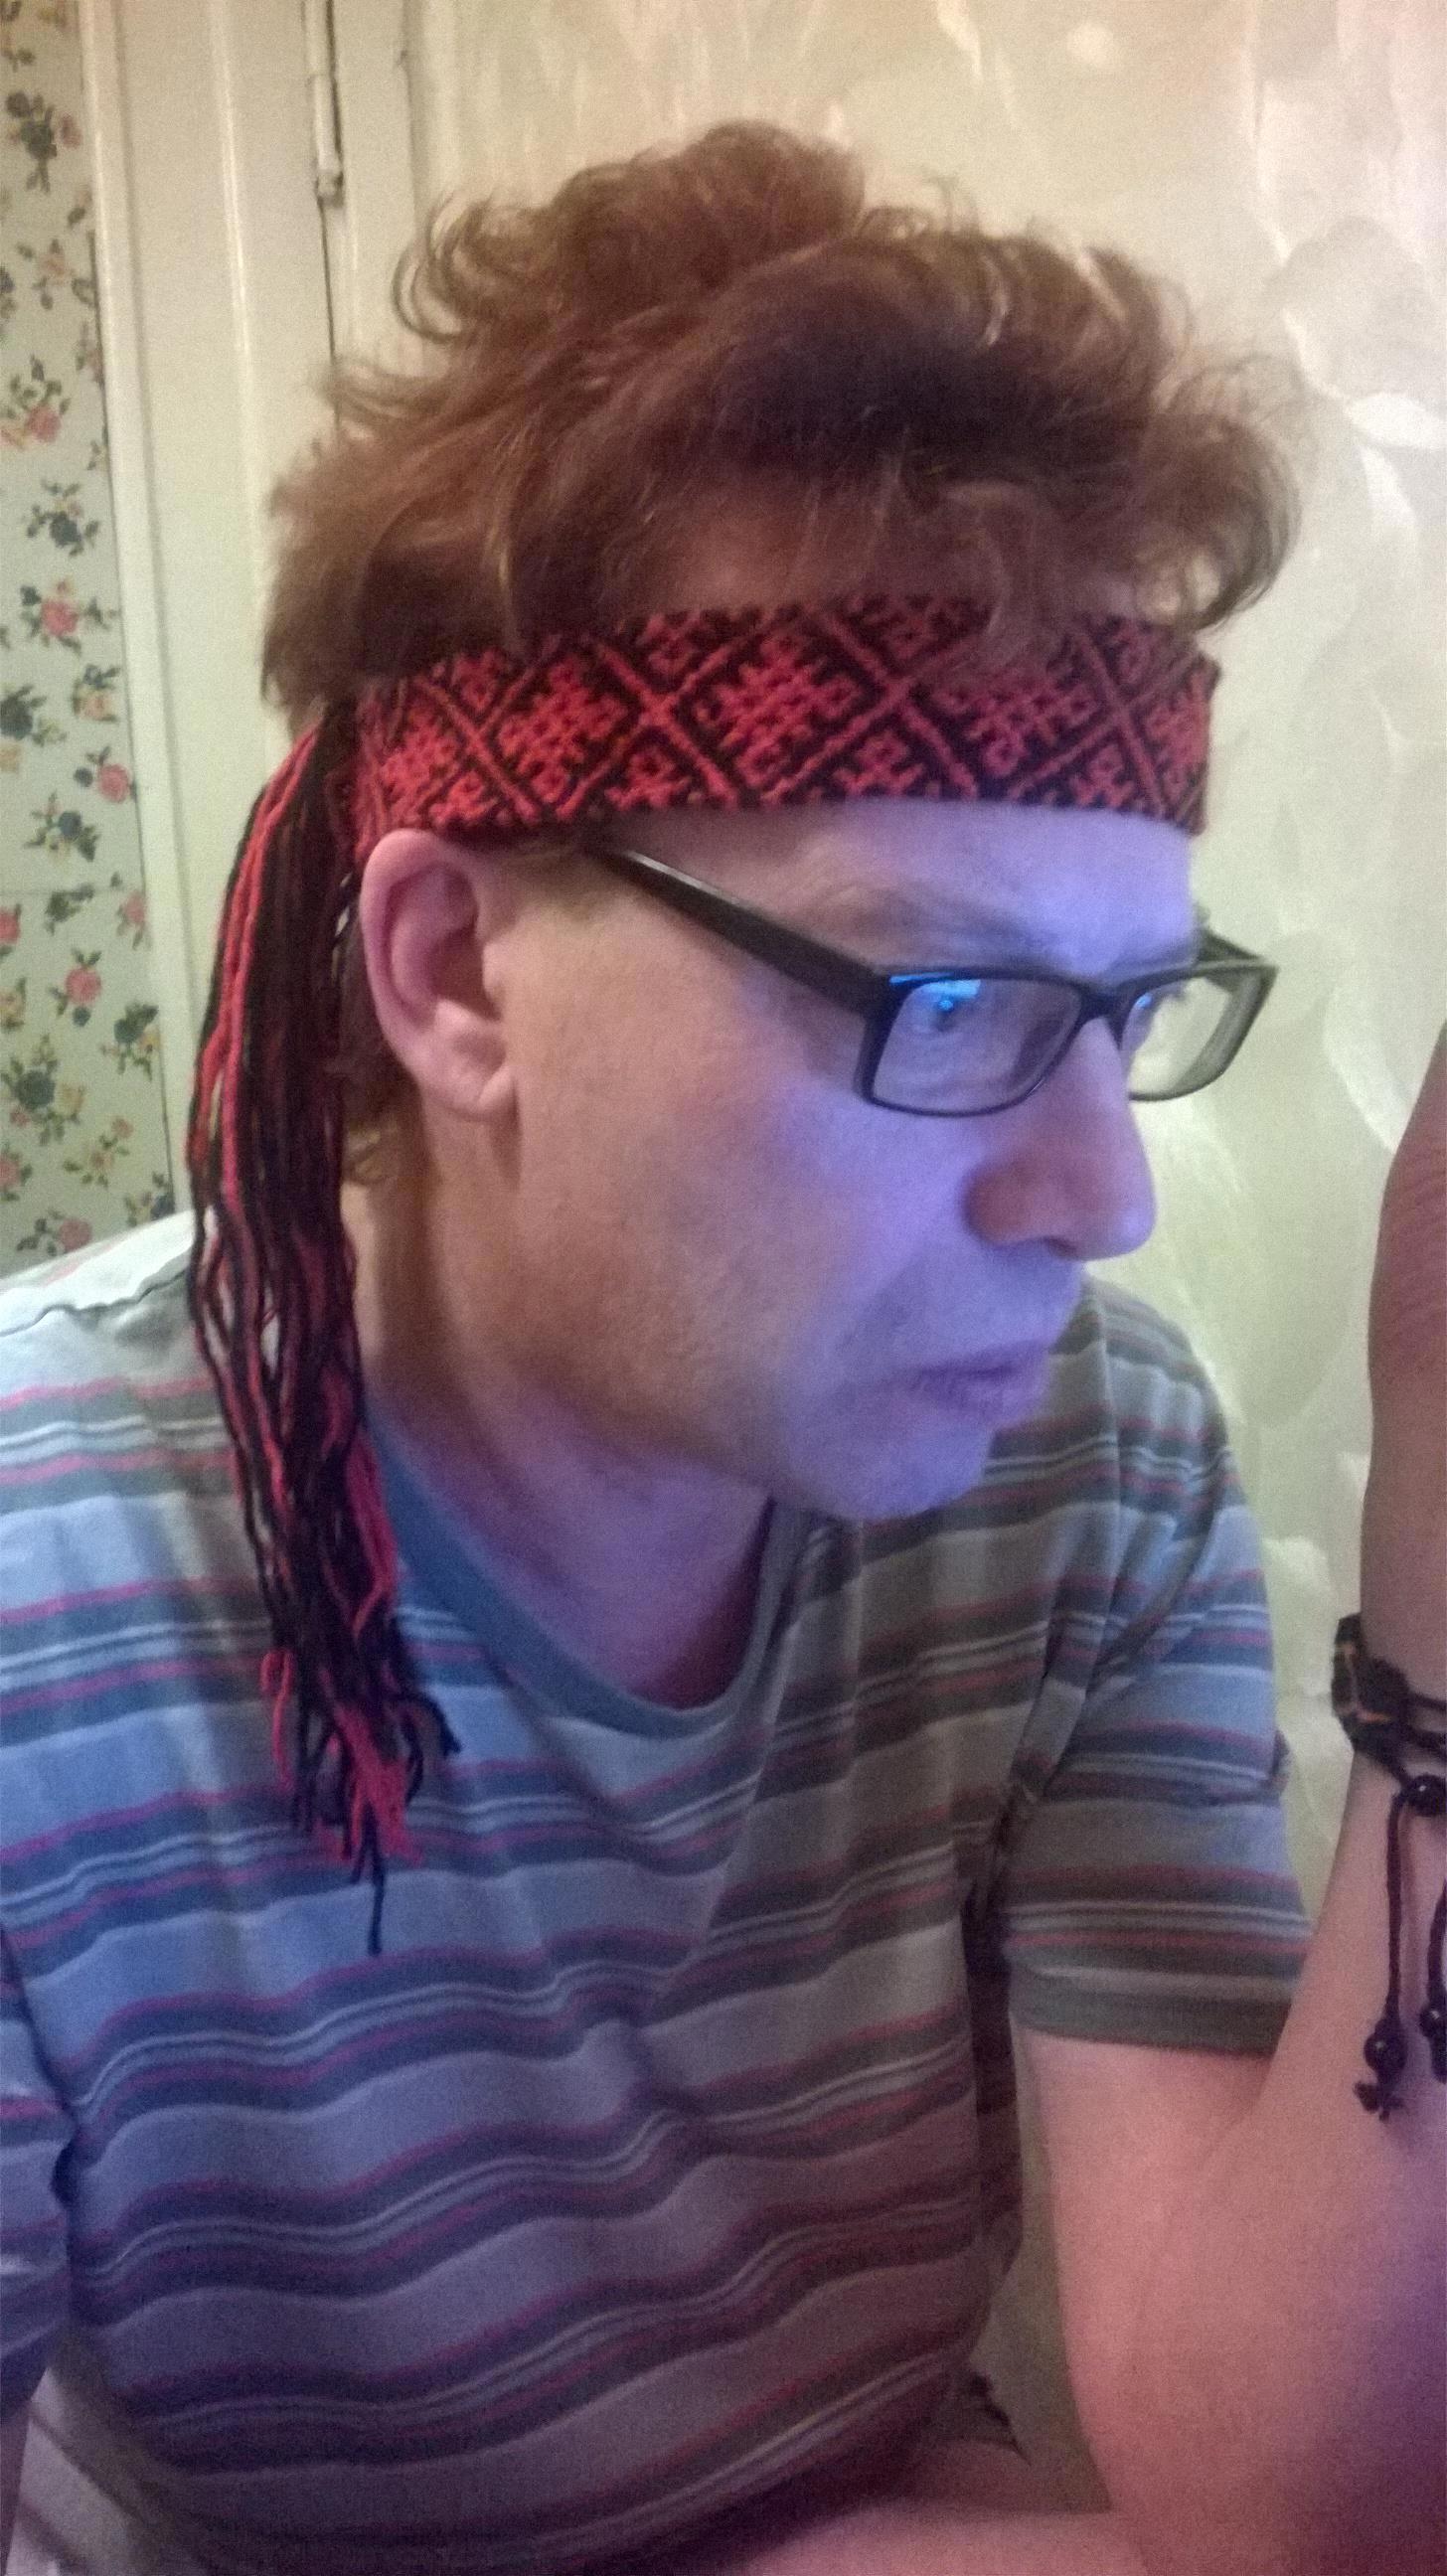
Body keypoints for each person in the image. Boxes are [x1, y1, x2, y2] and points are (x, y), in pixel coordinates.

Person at [0, 123, 1441, 2576]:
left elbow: (1277, 2496)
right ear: (453, 971)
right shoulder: (44, 1588)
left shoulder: (1079, 1465)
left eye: (1120, 1014)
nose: (1096, 1197)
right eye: (948, 999)